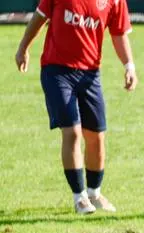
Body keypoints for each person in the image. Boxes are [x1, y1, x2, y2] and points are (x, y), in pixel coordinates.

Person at [15, 0, 137, 214]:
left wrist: (129, 66)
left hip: (90, 73)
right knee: (72, 132)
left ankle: (94, 193)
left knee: (96, 136)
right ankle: (79, 198)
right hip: (57, 71)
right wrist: (23, 47)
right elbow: (40, 17)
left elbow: (118, 33)